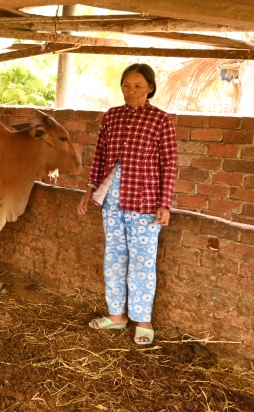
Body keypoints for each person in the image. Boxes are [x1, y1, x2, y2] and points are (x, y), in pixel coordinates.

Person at [77, 63, 178, 345]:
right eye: (126, 85)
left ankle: (143, 320)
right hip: (113, 201)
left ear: (150, 89)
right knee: (114, 257)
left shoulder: (161, 120)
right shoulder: (111, 117)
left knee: (142, 262)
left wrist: (165, 203)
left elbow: (169, 165)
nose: (130, 91)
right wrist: (90, 189)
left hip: (145, 203)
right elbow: (99, 156)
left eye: (137, 86)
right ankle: (117, 316)